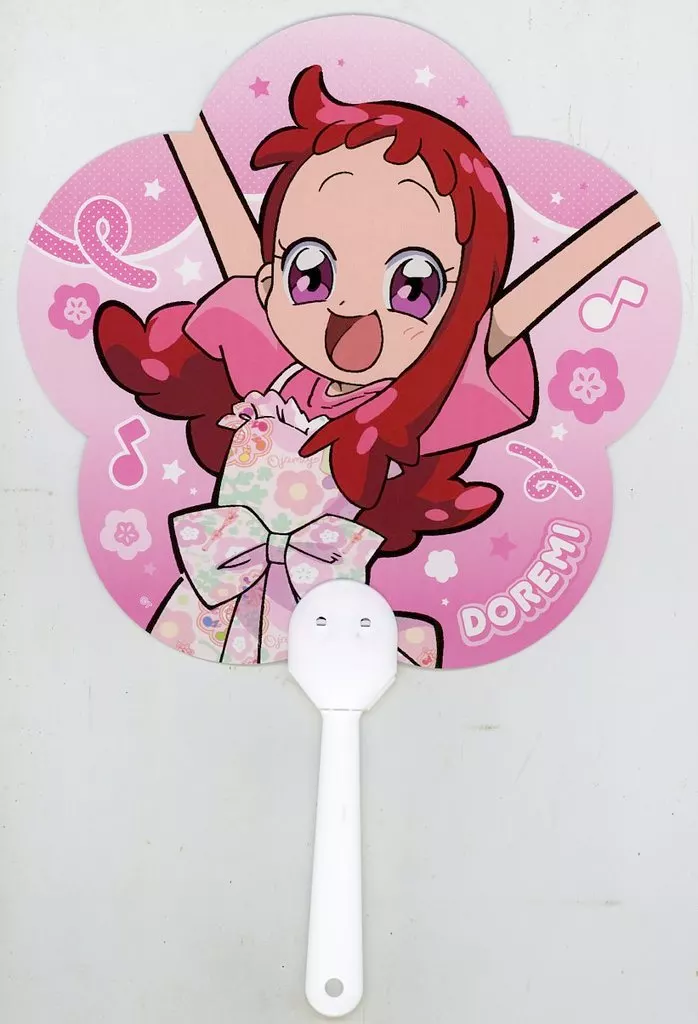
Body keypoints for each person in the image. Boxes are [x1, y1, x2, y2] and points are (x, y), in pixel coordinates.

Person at [94, 66, 659, 665]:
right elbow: (224, 215)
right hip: (210, 602)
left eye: (413, 287)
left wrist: (644, 205)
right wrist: (182, 104)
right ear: (268, 281)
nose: (349, 310)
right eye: (311, 272)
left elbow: (537, 295)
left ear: (458, 311)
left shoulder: (419, 404)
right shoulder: (267, 359)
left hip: (330, 615)